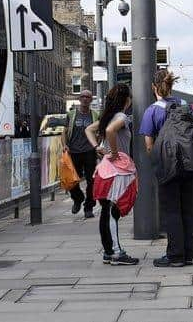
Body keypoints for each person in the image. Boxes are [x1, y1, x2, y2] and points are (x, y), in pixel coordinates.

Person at [140, 69, 193, 268]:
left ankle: (175, 256)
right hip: (189, 166)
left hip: (168, 168)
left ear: (153, 87)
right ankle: (189, 254)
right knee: (189, 209)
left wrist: (158, 163)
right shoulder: (185, 106)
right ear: (171, 85)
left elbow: (149, 145)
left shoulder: (152, 111)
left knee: (172, 210)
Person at [85, 83, 139, 266]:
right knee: (111, 211)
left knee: (106, 211)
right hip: (115, 171)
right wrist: (115, 153)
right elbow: (109, 131)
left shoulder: (107, 116)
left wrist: (97, 147)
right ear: (126, 99)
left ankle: (109, 251)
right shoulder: (121, 116)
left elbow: (89, 130)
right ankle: (116, 252)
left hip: (104, 170)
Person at [62, 90, 99, 218]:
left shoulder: (95, 115)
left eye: (88, 97)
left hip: (89, 151)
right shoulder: (71, 114)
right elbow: (65, 132)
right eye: (82, 96)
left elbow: (99, 132)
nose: (85, 99)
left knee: (92, 181)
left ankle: (89, 207)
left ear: (91, 100)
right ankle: (78, 198)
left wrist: (97, 146)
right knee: (72, 180)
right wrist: (65, 145)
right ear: (79, 99)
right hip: (74, 151)